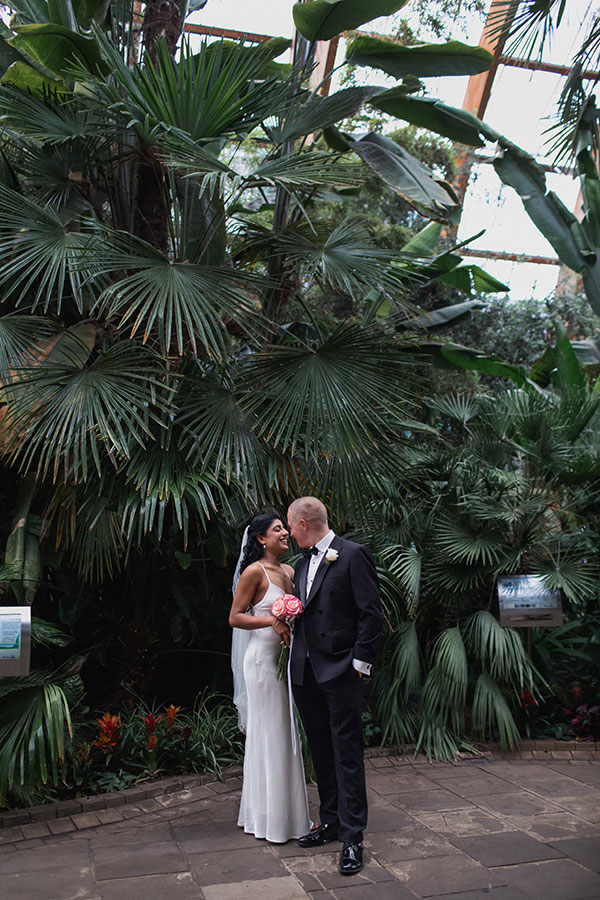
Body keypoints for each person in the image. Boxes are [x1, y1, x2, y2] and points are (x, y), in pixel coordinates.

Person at [287, 496, 382, 876]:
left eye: (291, 527)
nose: (290, 534)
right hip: (305, 671)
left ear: (304, 524)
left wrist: (359, 665)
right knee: (321, 750)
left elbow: (371, 613)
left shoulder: (353, 554)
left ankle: (354, 837)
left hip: (341, 669)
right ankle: (330, 821)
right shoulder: (299, 564)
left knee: (346, 752)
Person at [229, 512, 311, 844]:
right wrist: (271, 622)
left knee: (286, 733)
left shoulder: (291, 572)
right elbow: (235, 617)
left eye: (284, 529)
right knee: (270, 733)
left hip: (285, 660)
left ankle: (288, 817)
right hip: (262, 663)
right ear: (261, 539)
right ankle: (269, 820)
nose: (285, 534)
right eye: (277, 529)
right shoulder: (254, 572)